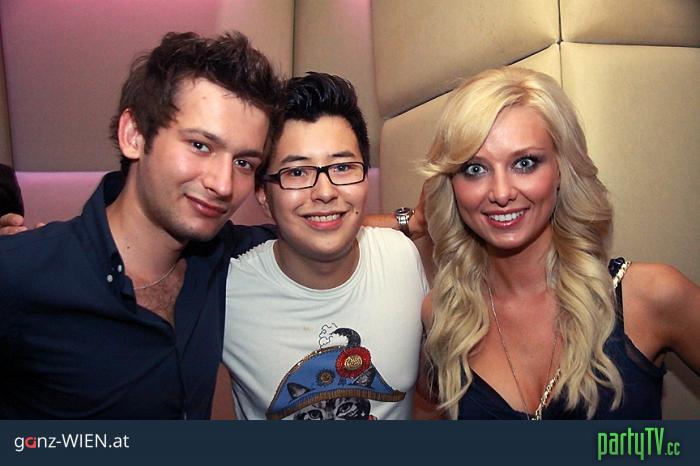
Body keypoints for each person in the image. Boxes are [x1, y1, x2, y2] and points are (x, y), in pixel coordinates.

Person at [0, 31, 284, 419]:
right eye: (200, 145)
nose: (223, 184)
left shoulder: (229, 257)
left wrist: (377, 225)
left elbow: (315, 233)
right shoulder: (20, 273)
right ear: (134, 135)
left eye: (243, 163)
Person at [421, 67, 699, 420]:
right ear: (452, 185)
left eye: (525, 163)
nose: (501, 193)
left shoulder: (650, 296)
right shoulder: (444, 314)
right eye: (474, 169)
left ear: (561, 170)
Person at [222, 73, 429, 420]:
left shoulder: (401, 258)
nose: (325, 192)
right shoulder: (228, 293)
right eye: (297, 172)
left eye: (343, 167)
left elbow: (431, 387)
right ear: (263, 194)